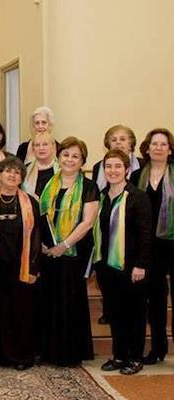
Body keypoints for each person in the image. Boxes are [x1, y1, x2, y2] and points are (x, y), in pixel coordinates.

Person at [38, 137, 97, 366]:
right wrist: (43, 244)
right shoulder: (49, 183)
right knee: (50, 300)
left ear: (82, 161)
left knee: (70, 301)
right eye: (66, 155)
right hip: (48, 253)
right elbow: (41, 216)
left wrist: (64, 246)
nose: (69, 160)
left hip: (74, 253)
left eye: (75, 156)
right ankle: (49, 351)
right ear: (58, 157)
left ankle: (70, 352)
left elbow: (88, 222)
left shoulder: (89, 187)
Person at [93, 149, 152, 375]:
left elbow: (145, 234)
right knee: (115, 313)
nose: (113, 171)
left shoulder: (137, 197)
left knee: (134, 313)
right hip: (107, 267)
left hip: (132, 267)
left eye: (118, 166)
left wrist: (141, 265)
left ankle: (135, 357)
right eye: (109, 166)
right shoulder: (101, 197)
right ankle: (119, 355)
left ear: (127, 169)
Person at [0, 156, 42, 370]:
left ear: (21, 177)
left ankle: (22, 356)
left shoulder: (31, 202)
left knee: (21, 311)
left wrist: (35, 266)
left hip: (22, 265)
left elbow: (37, 235)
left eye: (17, 172)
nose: (12, 175)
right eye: (7, 171)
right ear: (0, 175)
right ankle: (0, 355)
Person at [129, 128, 174, 365]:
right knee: (155, 300)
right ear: (146, 148)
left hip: (173, 243)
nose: (158, 148)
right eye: (154, 144)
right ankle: (158, 348)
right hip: (150, 247)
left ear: (170, 149)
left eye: (163, 144)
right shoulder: (138, 177)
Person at [92, 124, 143, 191]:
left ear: (131, 144)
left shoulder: (143, 165)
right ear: (108, 146)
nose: (118, 142)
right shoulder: (98, 167)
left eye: (122, 139)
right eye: (114, 140)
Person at [22, 132, 58, 196]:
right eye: (37, 145)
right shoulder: (25, 170)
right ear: (33, 149)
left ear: (53, 147)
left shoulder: (62, 169)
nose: (41, 148)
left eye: (45, 144)